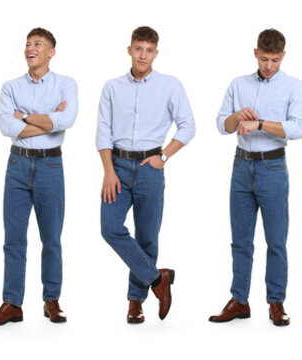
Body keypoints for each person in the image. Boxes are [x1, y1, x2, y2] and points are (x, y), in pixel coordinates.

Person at [208, 28, 302, 327]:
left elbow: (299, 128)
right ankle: (239, 300)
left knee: (276, 240)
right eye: (264, 59)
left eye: (275, 60)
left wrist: (260, 124)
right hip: (241, 167)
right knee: (240, 241)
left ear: (283, 56)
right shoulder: (238, 84)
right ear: (255, 54)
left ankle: (276, 302)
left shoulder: (293, 86)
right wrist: (236, 116)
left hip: (273, 168)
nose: (269, 66)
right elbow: (220, 125)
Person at [98, 26, 194, 323]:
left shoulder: (170, 85)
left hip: (149, 169)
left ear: (156, 53)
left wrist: (164, 156)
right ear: (129, 50)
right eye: (138, 48)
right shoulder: (112, 87)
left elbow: (188, 126)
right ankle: (158, 279)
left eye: (149, 50)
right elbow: (103, 131)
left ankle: (135, 302)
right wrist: (108, 172)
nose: (143, 55)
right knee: (110, 228)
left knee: (147, 237)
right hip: (117, 166)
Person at [0, 27, 77, 326]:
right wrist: (49, 121)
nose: (30, 48)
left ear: (51, 51)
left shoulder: (66, 84)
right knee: (13, 239)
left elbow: (68, 119)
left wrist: (23, 116)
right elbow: (5, 127)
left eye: (37, 44)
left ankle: (52, 300)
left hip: (50, 166)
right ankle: (12, 303)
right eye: (27, 44)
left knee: (51, 239)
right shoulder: (10, 86)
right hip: (18, 167)